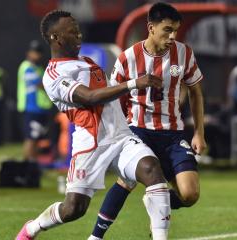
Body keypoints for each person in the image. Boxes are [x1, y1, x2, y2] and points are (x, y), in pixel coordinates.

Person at [16, 10, 171, 240]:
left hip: (121, 137)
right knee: (73, 209)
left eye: (78, 30)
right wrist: (133, 84)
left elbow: (110, 95)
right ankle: (32, 228)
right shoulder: (53, 74)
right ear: (55, 38)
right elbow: (89, 97)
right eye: (72, 32)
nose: (79, 35)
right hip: (90, 144)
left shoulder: (86, 62)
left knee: (152, 170)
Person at [88, 2, 206, 239]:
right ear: (151, 27)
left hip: (173, 135)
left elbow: (195, 92)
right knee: (126, 182)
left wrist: (199, 133)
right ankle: (96, 236)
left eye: (176, 31)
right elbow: (115, 97)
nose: (172, 36)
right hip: (139, 131)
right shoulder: (127, 58)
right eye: (167, 30)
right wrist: (116, 135)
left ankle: (155, 205)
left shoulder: (184, 53)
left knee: (190, 194)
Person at [17, 40, 53, 162]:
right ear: (28, 53)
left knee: (37, 137)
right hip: (31, 108)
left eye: (39, 52)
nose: (37, 55)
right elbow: (40, 84)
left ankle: (33, 164)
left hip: (40, 108)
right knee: (31, 137)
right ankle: (27, 164)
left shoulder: (38, 68)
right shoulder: (27, 67)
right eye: (34, 52)